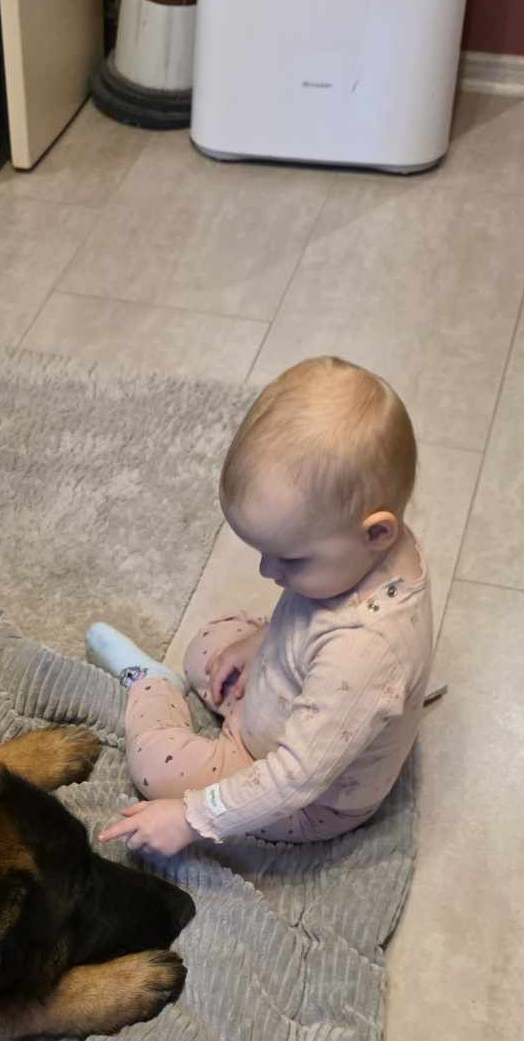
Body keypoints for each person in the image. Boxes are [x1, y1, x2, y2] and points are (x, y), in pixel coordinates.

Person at [87, 356, 435, 858]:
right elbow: (308, 622)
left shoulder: (366, 652)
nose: (268, 572)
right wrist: (259, 642)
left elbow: (296, 778)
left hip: (305, 793)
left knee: (153, 765)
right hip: (283, 695)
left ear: (377, 532)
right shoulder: (363, 551)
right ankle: (239, 669)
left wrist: (192, 817)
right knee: (209, 644)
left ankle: (151, 685)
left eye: (289, 559)